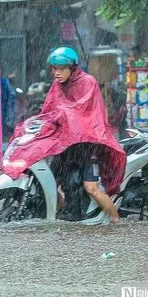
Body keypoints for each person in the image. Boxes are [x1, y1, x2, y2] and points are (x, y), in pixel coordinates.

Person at [36, 47, 126, 223]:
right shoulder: (57, 86)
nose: (57, 73)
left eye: (61, 68)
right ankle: (63, 214)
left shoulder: (88, 82)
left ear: (72, 68)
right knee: (49, 185)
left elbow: (83, 111)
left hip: (87, 144)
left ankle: (117, 221)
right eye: (54, 68)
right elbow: (48, 111)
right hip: (66, 145)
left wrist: (64, 113)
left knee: (91, 188)